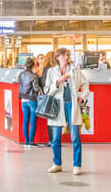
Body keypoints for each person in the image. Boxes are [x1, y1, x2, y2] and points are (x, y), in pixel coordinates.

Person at [43, 47, 89, 176]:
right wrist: (58, 82)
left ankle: (77, 165)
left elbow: (85, 84)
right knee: (56, 138)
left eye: (67, 55)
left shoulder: (75, 71)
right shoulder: (52, 72)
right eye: (63, 56)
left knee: (75, 137)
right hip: (58, 106)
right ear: (57, 58)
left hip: (72, 105)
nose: (66, 58)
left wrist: (82, 97)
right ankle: (57, 164)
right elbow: (47, 90)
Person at [17, 58, 42, 146]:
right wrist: (39, 88)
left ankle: (26, 141)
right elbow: (35, 88)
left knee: (25, 121)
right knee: (33, 121)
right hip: (32, 99)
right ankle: (31, 141)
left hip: (23, 100)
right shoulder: (33, 75)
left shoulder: (20, 74)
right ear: (34, 65)